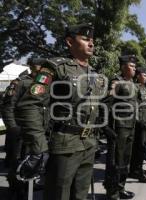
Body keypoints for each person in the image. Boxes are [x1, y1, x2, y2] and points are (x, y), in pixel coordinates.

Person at [16, 23, 106, 200]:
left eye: (92, 40)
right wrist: (39, 146)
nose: (91, 43)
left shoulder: (95, 74)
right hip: (64, 146)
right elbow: (29, 105)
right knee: (59, 195)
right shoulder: (55, 67)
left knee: (80, 195)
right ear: (70, 42)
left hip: (88, 145)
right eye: (86, 39)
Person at [1, 59, 42, 200]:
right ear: (33, 68)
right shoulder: (19, 82)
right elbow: (7, 107)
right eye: (39, 68)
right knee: (17, 160)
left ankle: (28, 184)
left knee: (32, 159)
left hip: (35, 129)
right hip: (19, 129)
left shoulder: (41, 84)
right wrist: (12, 127)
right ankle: (16, 188)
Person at [104, 55, 137, 200]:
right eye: (131, 66)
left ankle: (121, 187)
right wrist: (105, 126)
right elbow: (106, 103)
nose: (134, 69)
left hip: (130, 126)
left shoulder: (131, 83)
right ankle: (112, 193)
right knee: (115, 161)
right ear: (123, 67)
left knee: (125, 159)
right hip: (119, 127)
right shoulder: (116, 82)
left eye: (135, 67)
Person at [128, 67, 146, 183]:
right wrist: (138, 121)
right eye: (144, 75)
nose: (145, 78)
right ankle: (136, 170)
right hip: (138, 123)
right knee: (138, 148)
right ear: (138, 76)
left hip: (143, 121)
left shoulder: (143, 88)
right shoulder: (135, 88)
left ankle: (136, 168)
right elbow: (134, 106)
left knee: (141, 147)